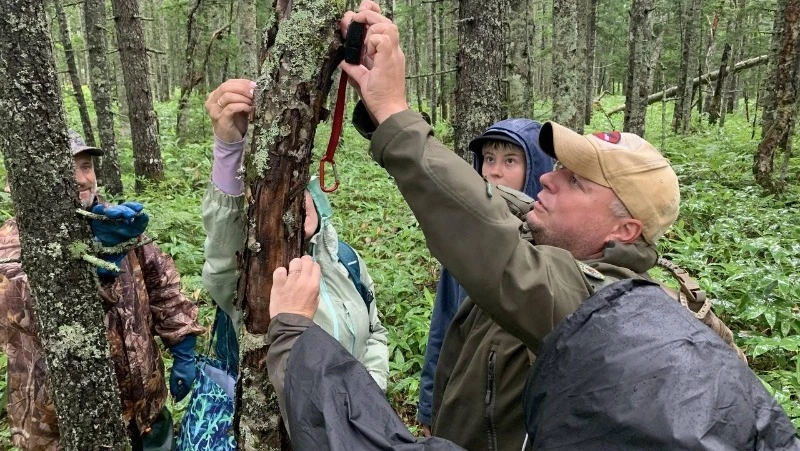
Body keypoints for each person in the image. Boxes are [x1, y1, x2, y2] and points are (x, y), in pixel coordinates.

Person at [330, 1, 799, 448]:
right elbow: (481, 201)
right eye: (557, 166)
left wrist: (397, 114)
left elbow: (487, 239)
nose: (548, 178)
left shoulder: (600, 308)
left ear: (625, 231)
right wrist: (381, 115)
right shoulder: (548, 242)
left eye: (576, 181)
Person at [0, 131, 204, 450]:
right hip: (65, 429)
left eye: (85, 166)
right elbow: (20, 315)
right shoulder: (11, 244)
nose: (81, 179)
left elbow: (161, 282)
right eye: (66, 169)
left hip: (145, 411)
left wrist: (183, 347)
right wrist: (94, 267)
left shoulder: (117, 223)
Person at [202, 80, 389, 389]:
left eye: (299, 189)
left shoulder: (346, 259)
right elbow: (222, 263)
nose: (293, 204)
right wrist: (227, 150)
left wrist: (370, 396)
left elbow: (375, 332)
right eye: (278, 194)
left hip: (359, 426)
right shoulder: (257, 271)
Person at [418, 119, 554, 438]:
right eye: (488, 159)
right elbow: (445, 323)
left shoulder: (555, 245)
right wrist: (428, 407)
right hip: (467, 406)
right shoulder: (469, 239)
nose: (494, 171)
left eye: (510, 161)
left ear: (535, 168)